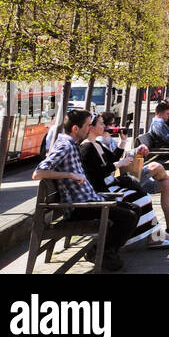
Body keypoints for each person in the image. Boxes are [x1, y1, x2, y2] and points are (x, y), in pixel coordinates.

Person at [33, 109, 140, 270]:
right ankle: (102, 253)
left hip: (91, 201)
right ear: (76, 129)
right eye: (87, 125)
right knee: (128, 217)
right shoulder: (65, 146)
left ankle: (104, 251)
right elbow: (38, 173)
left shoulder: (71, 144)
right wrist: (69, 174)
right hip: (80, 208)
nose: (90, 128)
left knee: (134, 210)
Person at [78, 113, 169, 247]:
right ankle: (154, 236)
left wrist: (123, 141)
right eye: (101, 124)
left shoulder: (96, 144)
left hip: (112, 184)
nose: (104, 127)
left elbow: (113, 158)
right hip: (105, 189)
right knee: (142, 197)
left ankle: (155, 236)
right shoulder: (86, 147)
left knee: (144, 195)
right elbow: (100, 172)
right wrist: (120, 164)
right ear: (91, 127)